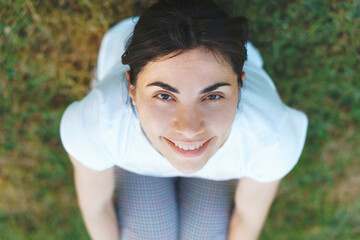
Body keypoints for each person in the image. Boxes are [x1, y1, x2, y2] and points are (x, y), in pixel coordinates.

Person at [60, 0, 308, 239]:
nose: (189, 129)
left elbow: (248, 217)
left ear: (240, 85)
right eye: (164, 95)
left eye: (212, 96)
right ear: (132, 90)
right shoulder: (99, 125)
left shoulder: (271, 138)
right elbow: (97, 206)